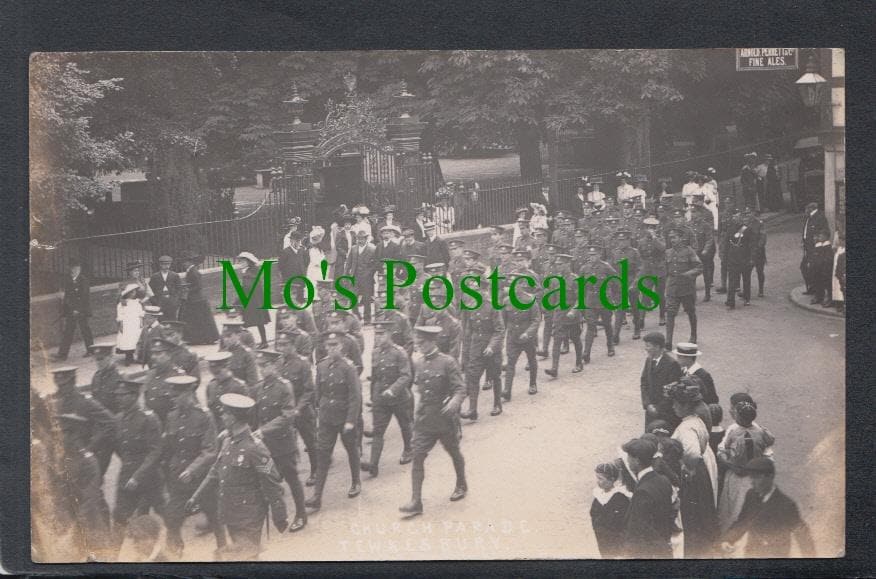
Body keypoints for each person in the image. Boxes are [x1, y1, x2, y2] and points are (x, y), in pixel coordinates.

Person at [187, 393, 288, 561]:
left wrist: (279, 515)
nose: (222, 416)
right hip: (231, 512)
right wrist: (196, 496)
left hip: (249, 516)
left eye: (225, 413)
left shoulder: (255, 448)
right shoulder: (228, 442)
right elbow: (215, 471)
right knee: (245, 557)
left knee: (247, 558)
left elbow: (272, 482)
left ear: (233, 418)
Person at [399, 326, 468, 516]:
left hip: (445, 419)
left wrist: (454, 402)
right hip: (424, 420)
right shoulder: (418, 363)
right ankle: (416, 501)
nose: (419, 347)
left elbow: (460, 389)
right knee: (418, 457)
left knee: (454, 452)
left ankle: (461, 483)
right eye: (417, 343)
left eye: (422, 343)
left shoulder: (448, 362)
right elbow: (415, 387)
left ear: (432, 342)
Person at [160, 374, 223, 559]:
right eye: (172, 395)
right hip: (178, 477)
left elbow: (210, 450)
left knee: (214, 516)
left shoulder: (204, 416)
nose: (173, 398)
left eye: (177, 394)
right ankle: (176, 550)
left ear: (188, 393)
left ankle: (224, 550)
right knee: (172, 518)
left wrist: (192, 469)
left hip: (202, 478)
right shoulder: (171, 416)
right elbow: (169, 448)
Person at [250, 350, 308, 532]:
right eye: (259, 365)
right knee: (266, 478)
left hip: (283, 445)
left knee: (292, 479)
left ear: (275, 365)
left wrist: (263, 430)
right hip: (265, 447)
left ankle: (301, 514)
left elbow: (287, 416)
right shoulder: (258, 388)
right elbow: (255, 416)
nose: (261, 369)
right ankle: (277, 516)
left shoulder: (284, 386)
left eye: (265, 365)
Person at [305, 331, 363, 510]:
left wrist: (351, 420)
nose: (331, 349)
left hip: (344, 417)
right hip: (326, 419)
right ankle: (317, 496)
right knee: (322, 455)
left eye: (335, 346)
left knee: (351, 450)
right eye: (328, 346)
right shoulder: (321, 366)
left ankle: (356, 482)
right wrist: (318, 414)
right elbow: (318, 393)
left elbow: (355, 396)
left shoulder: (348, 367)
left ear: (341, 347)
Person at [110, 375, 166, 547]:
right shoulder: (118, 419)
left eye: (123, 395)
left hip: (149, 477)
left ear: (134, 396)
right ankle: (112, 559)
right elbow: (120, 448)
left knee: (166, 514)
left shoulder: (149, 418)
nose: (118, 398)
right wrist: (130, 468)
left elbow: (155, 451)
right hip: (127, 474)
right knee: (119, 516)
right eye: (117, 395)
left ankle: (174, 548)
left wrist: (137, 475)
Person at [666, 377, 719, 557]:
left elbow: (693, 453)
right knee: (703, 512)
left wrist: (685, 468)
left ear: (685, 405)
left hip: (694, 476)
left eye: (676, 404)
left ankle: (697, 551)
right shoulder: (696, 419)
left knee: (693, 516)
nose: (673, 407)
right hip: (701, 471)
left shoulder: (686, 428)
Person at [721, 458, 814, 557]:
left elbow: (803, 536)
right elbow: (742, 522)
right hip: (751, 554)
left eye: (756, 477)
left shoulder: (786, 505)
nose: (752, 482)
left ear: (770, 477)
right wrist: (727, 540)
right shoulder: (751, 496)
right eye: (751, 477)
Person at [361, 321, 414, 477]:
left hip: (399, 398)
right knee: (378, 431)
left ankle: (408, 450)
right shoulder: (375, 353)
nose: (378, 337)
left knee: (405, 425)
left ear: (390, 334)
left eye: (381, 334)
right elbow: (375, 377)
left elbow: (406, 376)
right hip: (381, 399)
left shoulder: (400, 353)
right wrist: (373, 396)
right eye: (376, 334)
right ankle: (373, 464)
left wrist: (393, 389)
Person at [717, 397, 775, 533]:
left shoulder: (734, 431)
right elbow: (770, 440)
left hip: (737, 473)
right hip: (754, 474)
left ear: (741, 419)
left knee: (734, 504)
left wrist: (725, 459)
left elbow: (723, 448)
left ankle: (731, 530)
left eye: (736, 414)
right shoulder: (759, 430)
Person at [459, 264, 506, 420]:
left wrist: (492, 347)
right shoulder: (471, 305)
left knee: (495, 375)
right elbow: (468, 330)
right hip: (476, 346)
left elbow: (499, 330)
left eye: (478, 288)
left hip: (491, 348)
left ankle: (497, 404)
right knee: (472, 377)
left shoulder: (492, 306)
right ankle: (473, 409)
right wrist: (466, 351)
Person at [620, 437, 675, 558]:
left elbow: (637, 530)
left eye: (629, 457)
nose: (628, 460)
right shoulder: (663, 480)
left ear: (637, 460)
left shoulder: (642, 490)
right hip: (663, 549)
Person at [276, 330, 318, 486]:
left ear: (293, 345)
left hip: (303, 411)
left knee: (310, 442)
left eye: (285, 345)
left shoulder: (303, 363)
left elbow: (309, 390)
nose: (281, 348)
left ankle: (316, 470)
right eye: (279, 345)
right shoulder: (278, 363)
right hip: (286, 412)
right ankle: (285, 470)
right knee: (285, 443)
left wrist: (298, 408)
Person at [664, 227, 703, 349]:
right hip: (672, 287)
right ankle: (668, 341)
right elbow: (665, 270)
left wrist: (689, 274)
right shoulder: (668, 252)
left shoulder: (689, 251)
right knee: (670, 313)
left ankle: (693, 335)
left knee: (690, 311)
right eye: (670, 238)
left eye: (674, 237)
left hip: (686, 288)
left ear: (681, 238)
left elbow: (699, 267)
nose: (672, 240)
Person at [502, 281, 541, 398]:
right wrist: (501, 337)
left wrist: (528, 333)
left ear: (521, 285)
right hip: (513, 337)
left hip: (527, 338)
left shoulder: (530, 300)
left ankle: (533, 384)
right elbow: (503, 321)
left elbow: (536, 320)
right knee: (510, 363)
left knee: (532, 359)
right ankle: (507, 390)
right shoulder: (506, 301)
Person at [580, 244, 616, 364]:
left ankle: (610, 345)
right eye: (590, 255)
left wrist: (613, 297)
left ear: (599, 255)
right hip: (590, 300)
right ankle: (586, 353)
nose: (592, 257)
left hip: (604, 300)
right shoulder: (584, 268)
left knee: (607, 324)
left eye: (594, 255)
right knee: (590, 326)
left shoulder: (606, 267)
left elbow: (616, 281)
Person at [640, 332, 683, 430]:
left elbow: (673, 391)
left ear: (657, 347)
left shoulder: (672, 364)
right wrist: (647, 404)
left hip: (665, 414)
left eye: (648, 346)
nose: (646, 349)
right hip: (650, 411)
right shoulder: (649, 360)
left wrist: (658, 408)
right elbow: (644, 383)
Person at [590, 462, 632, 559]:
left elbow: (625, 523)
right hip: (602, 540)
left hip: (617, 544)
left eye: (601, 479)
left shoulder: (620, 498)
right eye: (597, 478)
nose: (598, 481)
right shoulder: (598, 496)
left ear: (612, 479)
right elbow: (593, 514)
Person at [178, 249, 220, 345]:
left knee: (199, 319)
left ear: (189, 262)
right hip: (195, 299)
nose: (183, 264)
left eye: (185, 262)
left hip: (197, 299)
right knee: (197, 319)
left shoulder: (193, 271)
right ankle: (198, 338)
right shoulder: (191, 270)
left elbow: (198, 286)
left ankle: (204, 338)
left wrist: (187, 289)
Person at [55, 259, 94, 361]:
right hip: (71, 311)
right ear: (69, 269)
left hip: (81, 311)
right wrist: (68, 309)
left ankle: (91, 350)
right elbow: (68, 297)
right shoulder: (68, 280)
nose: (74, 271)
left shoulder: (83, 280)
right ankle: (62, 354)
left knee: (85, 330)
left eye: (76, 268)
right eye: (72, 268)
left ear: (80, 269)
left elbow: (84, 297)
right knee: (68, 331)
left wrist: (78, 309)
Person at [203, 351, 249, 429]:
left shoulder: (239, 387)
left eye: (218, 372)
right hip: (216, 430)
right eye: (214, 373)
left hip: (233, 431)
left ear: (227, 367)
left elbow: (246, 416)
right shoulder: (211, 386)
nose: (217, 376)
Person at [724, 209, 757, 309]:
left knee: (746, 280)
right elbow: (726, 245)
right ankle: (731, 302)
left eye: (737, 217)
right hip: (733, 259)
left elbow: (752, 245)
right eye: (734, 217)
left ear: (741, 218)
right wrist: (725, 257)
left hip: (745, 258)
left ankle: (747, 298)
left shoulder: (747, 229)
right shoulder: (730, 229)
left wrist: (752, 258)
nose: (735, 219)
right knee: (732, 281)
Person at [345, 230, 377, 324]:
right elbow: (348, 262)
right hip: (355, 277)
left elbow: (375, 264)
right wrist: (346, 274)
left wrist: (369, 272)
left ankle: (367, 319)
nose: (359, 240)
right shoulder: (354, 248)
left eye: (362, 238)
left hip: (367, 279)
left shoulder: (372, 249)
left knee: (367, 299)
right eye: (358, 238)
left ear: (366, 239)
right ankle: (357, 317)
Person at [220, 317, 260, 387]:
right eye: (224, 336)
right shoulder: (221, 354)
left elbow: (253, 382)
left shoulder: (246, 354)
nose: (226, 339)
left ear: (238, 335)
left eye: (229, 336)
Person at [801, 201, 830, 293]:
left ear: (811, 208)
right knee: (804, 267)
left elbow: (825, 232)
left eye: (807, 209)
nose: (805, 211)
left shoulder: (819, 217)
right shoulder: (808, 217)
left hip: (815, 248)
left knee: (815, 269)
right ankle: (812, 286)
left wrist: (818, 243)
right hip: (807, 247)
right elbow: (806, 231)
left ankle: (818, 290)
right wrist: (803, 240)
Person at [116, 283, 145, 366]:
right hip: (127, 323)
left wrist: (141, 322)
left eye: (135, 292)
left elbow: (140, 313)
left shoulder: (137, 302)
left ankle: (136, 356)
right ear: (128, 293)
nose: (134, 294)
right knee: (127, 339)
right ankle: (128, 357)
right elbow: (120, 315)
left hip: (135, 323)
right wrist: (121, 324)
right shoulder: (122, 304)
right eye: (132, 292)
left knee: (135, 339)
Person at [149, 255, 182, 321]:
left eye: (168, 264)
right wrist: (155, 301)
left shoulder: (174, 275)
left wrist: (176, 300)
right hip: (160, 301)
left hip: (171, 301)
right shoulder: (155, 276)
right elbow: (150, 290)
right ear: (160, 265)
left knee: (172, 320)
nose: (167, 266)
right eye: (164, 264)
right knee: (161, 320)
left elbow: (179, 289)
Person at [809, 230, 834, 307]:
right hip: (818, 269)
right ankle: (819, 296)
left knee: (828, 284)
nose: (819, 237)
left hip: (825, 269)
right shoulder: (820, 246)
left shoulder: (827, 247)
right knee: (817, 281)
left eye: (821, 236)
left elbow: (827, 259)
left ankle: (829, 298)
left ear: (826, 237)